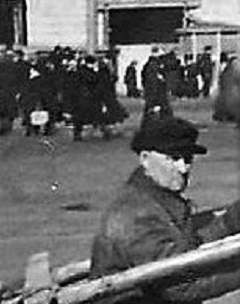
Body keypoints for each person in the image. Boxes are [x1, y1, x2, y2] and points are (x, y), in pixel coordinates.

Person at [91, 115, 240, 302]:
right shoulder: (137, 213)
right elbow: (181, 287)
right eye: (174, 158)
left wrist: (231, 221)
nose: (183, 168)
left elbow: (189, 247)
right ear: (145, 159)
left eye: (187, 159)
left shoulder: (155, 200)